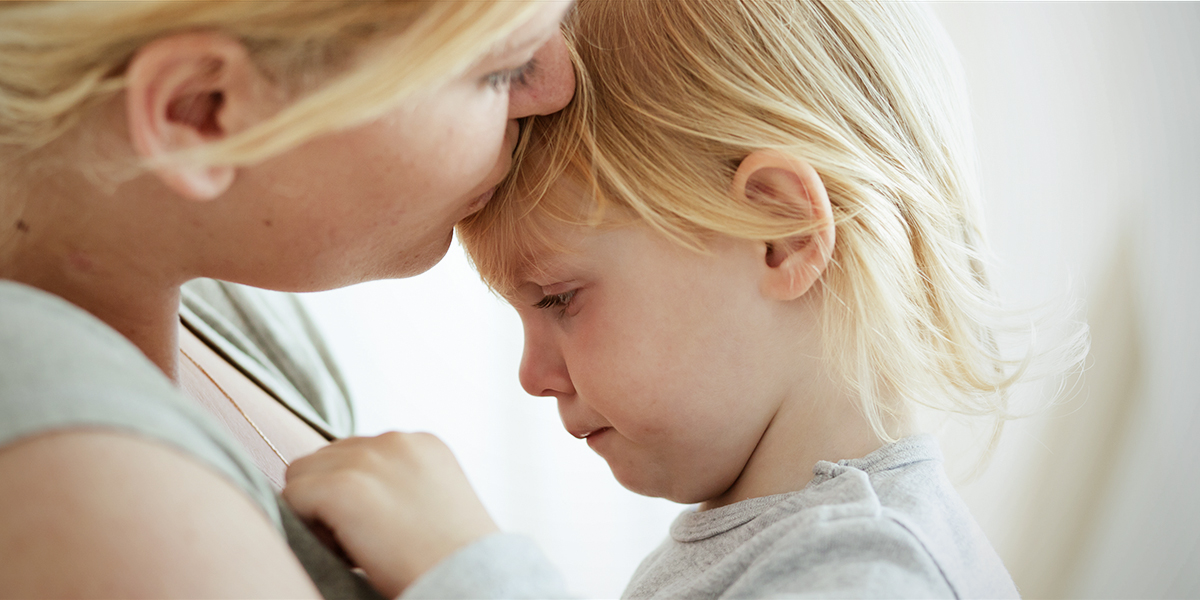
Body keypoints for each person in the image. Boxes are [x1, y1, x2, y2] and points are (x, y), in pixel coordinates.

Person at [283, 0, 1088, 597]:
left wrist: (469, 574)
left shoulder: (869, 569)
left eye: (560, 298)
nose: (532, 375)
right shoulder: (774, 539)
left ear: (782, 234)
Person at [0, 0, 576, 597]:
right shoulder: (82, 480)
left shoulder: (234, 319)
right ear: (199, 109)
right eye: (498, 70)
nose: (560, 85)